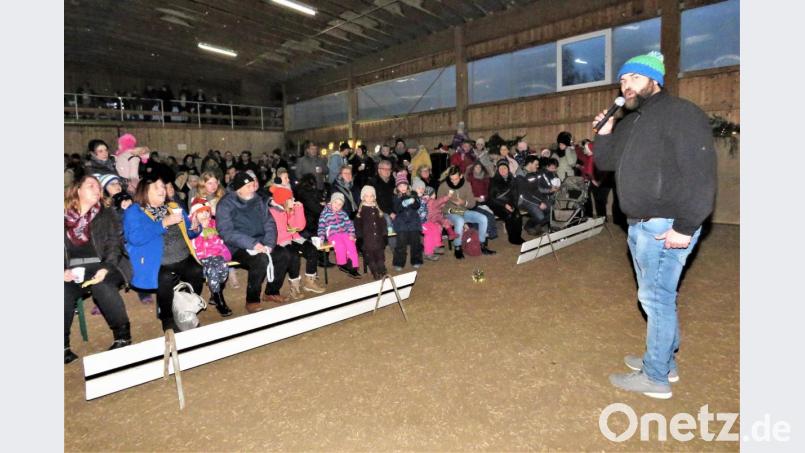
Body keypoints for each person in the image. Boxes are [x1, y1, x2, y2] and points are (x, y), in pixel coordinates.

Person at [593, 51, 716, 399]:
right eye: (622, 80)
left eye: (633, 77)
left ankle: (655, 377)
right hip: (638, 226)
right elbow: (605, 163)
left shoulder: (681, 114)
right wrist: (606, 131)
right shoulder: (633, 121)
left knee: (656, 299)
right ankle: (664, 361)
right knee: (659, 298)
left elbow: (701, 174)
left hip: (666, 226)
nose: (625, 85)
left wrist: (687, 226)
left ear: (654, 80)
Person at [64, 176, 133, 364]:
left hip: (110, 263)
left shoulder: (106, 213)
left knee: (101, 285)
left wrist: (105, 268)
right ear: (77, 190)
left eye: (98, 187)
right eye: (91, 186)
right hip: (75, 269)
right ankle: (63, 346)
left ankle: (123, 336)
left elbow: (115, 244)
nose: (97, 189)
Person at [123, 175, 204, 332]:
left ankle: (183, 307)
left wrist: (195, 228)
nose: (162, 190)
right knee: (165, 278)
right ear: (144, 191)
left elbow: (189, 232)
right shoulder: (135, 211)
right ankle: (166, 317)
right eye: (157, 187)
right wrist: (163, 223)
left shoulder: (173, 206)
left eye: (163, 187)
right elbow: (134, 237)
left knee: (196, 271)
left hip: (183, 256)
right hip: (156, 262)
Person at [216, 172, 279, 311]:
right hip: (237, 246)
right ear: (239, 189)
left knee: (284, 255)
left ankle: (271, 292)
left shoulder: (258, 200)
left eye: (253, 185)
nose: (253, 188)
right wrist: (252, 244)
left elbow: (269, 223)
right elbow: (226, 232)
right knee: (260, 260)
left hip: (261, 242)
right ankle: (252, 300)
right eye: (249, 186)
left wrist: (269, 244)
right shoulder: (225, 204)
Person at [437, 166, 495, 259]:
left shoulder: (466, 184)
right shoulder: (443, 186)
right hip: (449, 212)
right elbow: (439, 206)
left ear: (460, 176)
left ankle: (482, 245)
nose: (453, 182)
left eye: (456, 179)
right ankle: (457, 247)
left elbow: (472, 204)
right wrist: (451, 208)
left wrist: (463, 202)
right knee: (459, 220)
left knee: (483, 218)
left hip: (463, 211)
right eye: (451, 179)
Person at [188, 199, 233, 317]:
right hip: (201, 258)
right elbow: (193, 245)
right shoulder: (193, 227)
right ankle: (219, 302)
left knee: (223, 270)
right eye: (201, 212)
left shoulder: (214, 223)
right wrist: (200, 233)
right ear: (195, 214)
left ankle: (215, 292)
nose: (205, 214)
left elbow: (221, 238)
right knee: (212, 272)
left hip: (216, 255)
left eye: (207, 211)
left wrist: (214, 235)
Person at [317, 193, 361, 278]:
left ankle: (354, 267)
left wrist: (352, 234)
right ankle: (342, 263)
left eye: (340, 204)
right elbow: (321, 226)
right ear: (331, 202)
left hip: (345, 233)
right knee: (340, 246)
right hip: (333, 234)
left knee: (351, 245)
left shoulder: (343, 213)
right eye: (335, 202)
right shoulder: (325, 213)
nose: (337, 205)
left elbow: (349, 224)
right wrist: (321, 238)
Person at [355, 185, 388, 279]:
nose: (369, 198)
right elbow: (357, 226)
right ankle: (375, 272)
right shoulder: (361, 211)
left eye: (371, 196)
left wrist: (385, 235)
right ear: (363, 197)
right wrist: (360, 238)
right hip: (367, 240)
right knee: (371, 257)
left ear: (374, 197)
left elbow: (383, 223)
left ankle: (382, 268)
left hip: (378, 239)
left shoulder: (377, 209)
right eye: (367, 196)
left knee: (380, 255)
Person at [391, 173, 423, 271]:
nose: (403, 187)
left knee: (416, 242)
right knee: (401, 244)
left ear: (408, 186)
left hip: (414, 223)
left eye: (404, 185)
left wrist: (414, 201)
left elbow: (417, 205)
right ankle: (399, 262)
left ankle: (416, 260)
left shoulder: (413, 193)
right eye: (400, 186)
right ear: (397, 188)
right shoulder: (396, 197)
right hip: (401, 224)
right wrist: (403, 203)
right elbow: (396, 209)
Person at [489, 161, 525, 245]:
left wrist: (513, 205)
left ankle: (518, 236)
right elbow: (491, 198)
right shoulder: (493, 181)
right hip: (497, 204)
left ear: (508, 169)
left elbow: (516, 194)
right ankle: (512, 238)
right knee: (509, 216)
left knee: (517, 215)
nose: (502, 170)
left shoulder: (512, 179)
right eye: (500, 168)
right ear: (497, 170)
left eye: (504, 168)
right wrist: (504, 205)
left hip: (510, 203)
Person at [516, 156, 551, 236]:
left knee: (551, 210)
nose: (538, 166)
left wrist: (547, 192)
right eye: (536, 164)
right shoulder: (520, 176)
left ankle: (537, 225)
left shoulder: (534, 172)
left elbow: (537, 189)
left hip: (534, 197)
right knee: (540, 216)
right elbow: (524, 195)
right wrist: (539, 203)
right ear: (530, 164)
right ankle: (529, 226)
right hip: (523, 200)